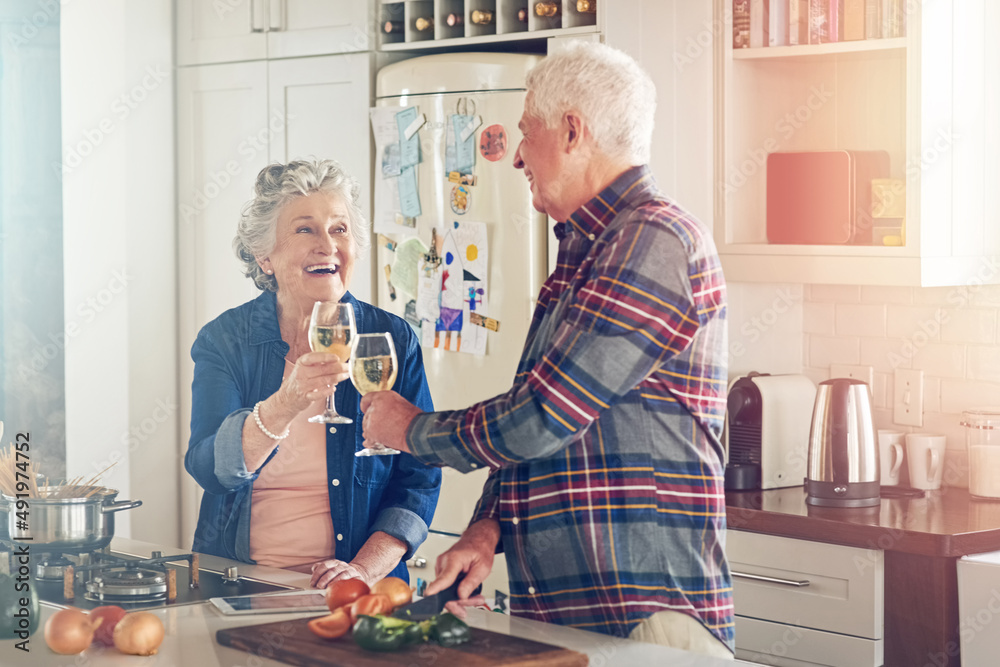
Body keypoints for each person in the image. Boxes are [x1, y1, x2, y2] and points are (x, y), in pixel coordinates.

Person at [359, 42, 734, 658]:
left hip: (644, 615)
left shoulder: (654, 239)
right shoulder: (587, 248)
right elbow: (549, 419)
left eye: (525, 132)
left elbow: (541, 418)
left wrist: (411, 431)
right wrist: (488, 527)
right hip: (578, 611)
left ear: (571, 131)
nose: (515, 158)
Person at [185, 159, 440, 588]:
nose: (328, 245)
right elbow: (210, 468)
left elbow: (419, 479)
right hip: (239, 582)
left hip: (359, 588)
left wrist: (361, 571)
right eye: (305, 230)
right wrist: (287, 402)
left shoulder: (390, 338)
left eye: (339, 229)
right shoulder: (225, 340)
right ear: (264, 256)